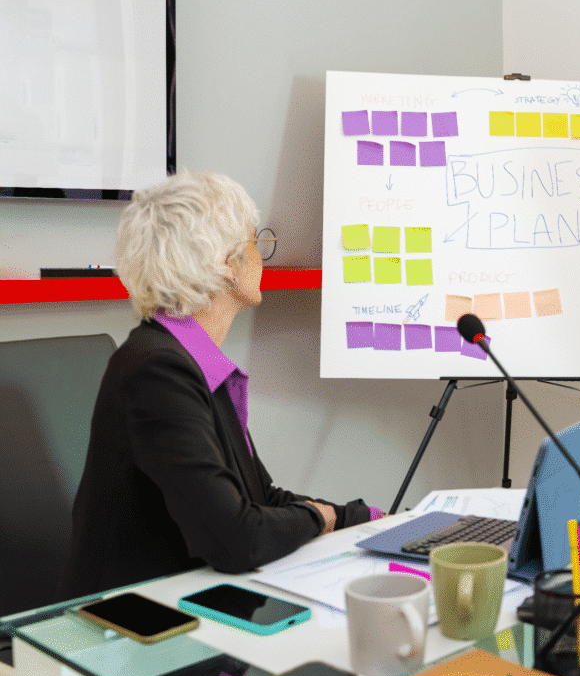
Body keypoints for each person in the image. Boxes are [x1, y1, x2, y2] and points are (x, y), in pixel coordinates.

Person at [60, 171, 382, 599]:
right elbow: (236, 538)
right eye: (255, 242)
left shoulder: (186, 360)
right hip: (135, 623)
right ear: (227, 263)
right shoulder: (157, 371)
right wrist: (321, 519)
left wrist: (361, 518)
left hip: (186, 600)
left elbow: (258, 498)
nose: (261, 258)